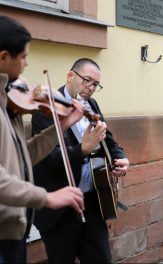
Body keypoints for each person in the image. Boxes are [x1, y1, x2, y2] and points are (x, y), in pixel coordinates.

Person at [0, 16, 85, 263]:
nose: (27, 64)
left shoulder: (9, 102)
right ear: (4, 57)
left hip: (13, 227)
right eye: (24, 57)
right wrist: (46, 197)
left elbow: (24, 156)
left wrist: (63, 124)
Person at [31, 58, 130, 263]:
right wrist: (82, 149)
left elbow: (108, 140)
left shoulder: (92, 104)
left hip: (94, 203)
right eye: (87, 80)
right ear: (70, 76)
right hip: (61, 208)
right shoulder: (47, 108)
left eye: (95, 84)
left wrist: (121, 157)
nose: (91, 87)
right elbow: (50, 158)